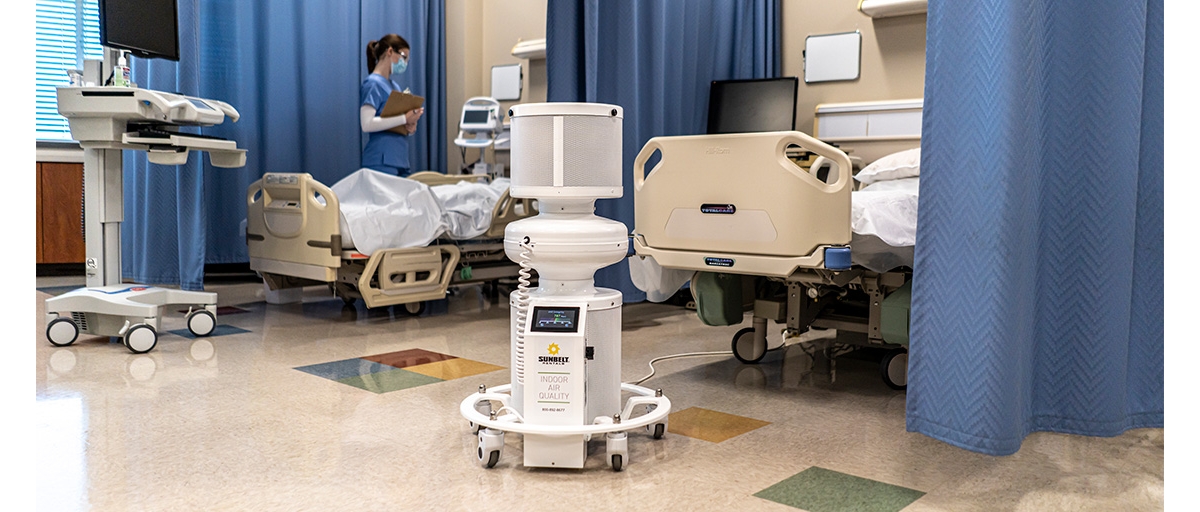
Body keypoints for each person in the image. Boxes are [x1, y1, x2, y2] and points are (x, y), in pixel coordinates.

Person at [360, 34, 425, 177]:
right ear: (390, 52)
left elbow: (397, 121)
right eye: (403, 56)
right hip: (380, 160)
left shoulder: (394, 86)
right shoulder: (372, 83)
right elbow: (366, 124)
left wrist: (410, 126)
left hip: (399, 158)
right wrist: (404, 119)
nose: (405, 62)